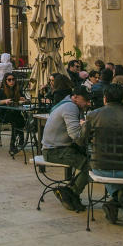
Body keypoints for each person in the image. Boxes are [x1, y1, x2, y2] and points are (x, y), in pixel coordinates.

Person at [79, 84, 123, 225]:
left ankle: (115, 198)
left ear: (104, 99)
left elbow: (81, 141)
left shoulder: (93, 115)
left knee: (107, 172)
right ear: (122, 98)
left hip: (101, 169)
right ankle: (119, 197)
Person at [41, 84, 91, 212]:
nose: (88, 103)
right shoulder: (70, 107)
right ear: (76, 97)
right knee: (91, 166)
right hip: (54, 151)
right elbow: (76, 136)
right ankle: (70, 192)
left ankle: (69, 192)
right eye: (86, 100)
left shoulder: (68, 104)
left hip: (58, 148)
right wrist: (86, 125)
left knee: (90, 159)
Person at [0, 71, 27, 156]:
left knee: (20, 120)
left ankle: (18, 143)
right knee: (17, 121)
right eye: (9, 80)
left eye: (13, 79)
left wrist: (23, 99)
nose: (11, 81)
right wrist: (4, 101)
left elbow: (24, 99)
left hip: (15, 113)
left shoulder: (18, 89)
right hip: (4, 114)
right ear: (5, 81)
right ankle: (15, 144)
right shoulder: (2, 91)